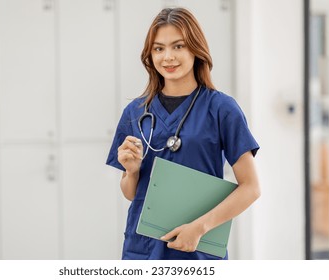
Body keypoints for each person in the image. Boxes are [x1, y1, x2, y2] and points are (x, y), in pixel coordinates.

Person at [106, 7, 260, 260]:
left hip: (197, 247)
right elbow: (131, 193)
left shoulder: (222, 109)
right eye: (159, 48)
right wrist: (131, 171)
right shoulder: (135, 111)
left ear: (195, 49)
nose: (168, 57)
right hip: (143, 247)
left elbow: (251, 188)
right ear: (150, 55)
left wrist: (200, 227)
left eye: (178, 46)